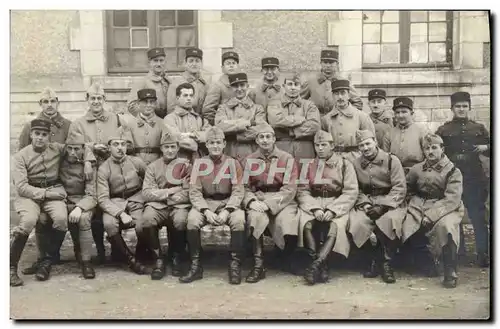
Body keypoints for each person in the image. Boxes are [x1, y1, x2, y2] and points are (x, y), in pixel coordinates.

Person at [11, 119, 95, 286]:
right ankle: (11, 268)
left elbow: (81, 146)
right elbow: (21, 187)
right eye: (37, 134)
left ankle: (46, 261)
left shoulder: (56, 148)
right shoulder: (21, 156)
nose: (40, 138)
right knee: (28, 221)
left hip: (53, 191)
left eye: (44, 134)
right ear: (31, 135)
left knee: (62, 219)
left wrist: (87, 162)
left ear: (49, 136)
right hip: (30, 195)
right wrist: (46, 193)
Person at [68, 82, 125, 263]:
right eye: (92, 98)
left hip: (111, 169)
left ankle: (116, 248)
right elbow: (74, 146)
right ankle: (98, 249)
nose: (96, 102)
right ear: (87, 100)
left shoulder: (115, 119)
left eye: (99, 98)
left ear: (104, 99)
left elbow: (121, 140)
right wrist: (90, 151)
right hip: (89, 171)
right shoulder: (78, 124)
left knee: (112, 205)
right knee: (94, 209)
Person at [180, 127, 246, 284]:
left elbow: (238, 191)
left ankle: (234, 264)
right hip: (206, 202)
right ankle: (196, 266)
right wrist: (206, 211)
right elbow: (194, 192)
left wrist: (227, 211)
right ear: (207, 145)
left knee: (239, 220)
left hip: (227, 202)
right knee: (192, 220)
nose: (215, 146)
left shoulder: (233, 163)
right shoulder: (199, 164)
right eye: (211, 143)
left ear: (224, 144)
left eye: (218, 142)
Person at [18, 87, 72, 273]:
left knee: (59, 217)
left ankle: (50, 257)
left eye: (53, 101)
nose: (49, 105)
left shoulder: (66, 125)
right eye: (45, 102)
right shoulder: (29, 127)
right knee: (38, 219)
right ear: (40, 104)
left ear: (58, 102)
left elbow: (74, 148)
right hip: (33, 184)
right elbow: (23, 153)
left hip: (60, 180)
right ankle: (44, 257)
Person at [436, 91, 490, 267]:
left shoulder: (479, 128)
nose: (461, 109)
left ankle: (483, 253)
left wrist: (485, 146)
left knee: (478, 216)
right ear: (452, 108)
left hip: (474, 178)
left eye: (464, 106)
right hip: (452, 180)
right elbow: (435, 150)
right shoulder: (444, 130)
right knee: (454, 215)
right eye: (458, 106)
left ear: (469, 108)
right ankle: (458, 253)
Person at [297, 130, 358, 285]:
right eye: (317, 145)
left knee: (336, 225)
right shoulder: (309, 165)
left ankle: (315, 265)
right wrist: (314, 208)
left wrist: (333, 210)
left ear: (332, 146)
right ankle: (320, 266)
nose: (320, 148)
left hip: (337, 201)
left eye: (324, 145)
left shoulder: (345, 164)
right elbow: (302, 190)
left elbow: (351, 191)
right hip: (314, 201)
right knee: (306, 223)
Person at [403, 134, 464, 288]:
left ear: (442, 149)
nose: (430, 151)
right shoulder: (417, 169)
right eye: (427, 148)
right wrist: (414, 204)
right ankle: (425, 262)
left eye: (434, 147)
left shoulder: (452, 170)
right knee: (409, 222)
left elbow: (452, 198)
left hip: (447, 207)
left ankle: (450, 270)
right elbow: (408, 190)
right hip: (420, 204)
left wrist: (431, 215)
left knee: (446, 226)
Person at [242, 123, 299, 281]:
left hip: (282, 199)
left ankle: (286, 258)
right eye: (261, 137)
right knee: (255, 217)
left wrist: (269, 204)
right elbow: (244, 187)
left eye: (268, 137)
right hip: (258, 198)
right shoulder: (249, 160)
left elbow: (290, 188)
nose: (265, 140)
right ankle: (258, 265)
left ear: (274, 139)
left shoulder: (286, 158)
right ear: (257, 141)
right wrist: (251, 201)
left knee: (287, 220)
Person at [349, 130, 406, 284]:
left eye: (368, 143)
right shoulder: (355, 164)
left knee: (390, 220)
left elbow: (399, 187)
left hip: (390, 200)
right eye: (361, 145)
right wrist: (365, 204)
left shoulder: (391, 160)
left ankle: (386, 262)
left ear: (375, 141)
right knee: (357, 222)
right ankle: (372, 258)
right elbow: (355, 188)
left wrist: (383, 206)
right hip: (367, 200)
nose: (365, 148)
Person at [96, 127, 148, 275]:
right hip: (114, 201)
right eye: (116, 144)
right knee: (109, 223)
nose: (120, 148)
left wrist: (144, 197)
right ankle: (130, 259)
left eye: (123, 144)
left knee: (143, 224)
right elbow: (103, 199)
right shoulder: (104, 168)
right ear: (109, 147)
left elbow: (150, 182)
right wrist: (120, 213)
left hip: (136, 199)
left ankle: (141, 253)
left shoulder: (137, 162)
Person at [140, 131, 192, 280]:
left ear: (177, 148)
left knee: (181, 220)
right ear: (161, 148)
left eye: (173, 147)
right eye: (166, 147)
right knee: (148, 219)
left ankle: (176, 256)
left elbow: (190, 191)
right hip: (157, 206)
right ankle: (158, 258)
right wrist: (173, 190)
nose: (170, 150)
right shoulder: (153, 167)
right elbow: (147, 193)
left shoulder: (186, 165)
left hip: (178, 205)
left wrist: (166, 198)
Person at [267, 72, 321, 161]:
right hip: (281, 146)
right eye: (289, 84)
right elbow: (275, 121)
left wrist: (291, 131)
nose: (293, 87)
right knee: (281, 172)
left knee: (305, 173)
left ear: (300, 87)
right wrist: (300, 120)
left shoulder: (309, 105)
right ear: (284, 86)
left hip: (304, 147)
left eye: (296, 84)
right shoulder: (274, 103)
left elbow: (315, 126)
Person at [215, 72, 266, 163]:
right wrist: (246, 124)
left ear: (247, 86)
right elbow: (219, 127)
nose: (239, 89)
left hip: (252, 151)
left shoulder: (257, 108)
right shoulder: (223, 108)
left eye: (242, 85)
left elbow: (260, 130)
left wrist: (233, 132)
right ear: (231, 88)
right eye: (235, 86)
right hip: (229, 151)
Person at [321, 80, 375, 163]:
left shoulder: (361, 116)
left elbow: (372, 143)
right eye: (336, 94)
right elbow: (322, 144)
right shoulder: (326, 119)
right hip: (334, 160)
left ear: (349, 95)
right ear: (332, 96)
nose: (340, 97)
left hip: (356, 160)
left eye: (343, 93)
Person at [300, 49, 363, 114]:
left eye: (331, 62)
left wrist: (345, 116)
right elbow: (298, 102)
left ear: (337, 64)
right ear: (321, 63)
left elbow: (357, 103)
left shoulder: (344, 82)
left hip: (338, 122)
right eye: (325, 62)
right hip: (317, 121)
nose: (328, 65)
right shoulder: (311, 82)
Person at [382, 97, 429, 173]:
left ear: (412, 113)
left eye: (404, 112)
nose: (400, 115)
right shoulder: (389, 133)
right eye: (397, 112)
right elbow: (385, 156)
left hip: (417, 172)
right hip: (395, 172)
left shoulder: (422, 131)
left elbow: (428, 155)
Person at [164, 83, 210, 160]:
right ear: (178, 97)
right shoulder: (170, 118)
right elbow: (174, 138)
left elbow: (210, 134)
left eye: (191, 96)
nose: (189, 98)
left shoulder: (199, 118)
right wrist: (199, 141)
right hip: (179, 160)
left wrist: (194, 135)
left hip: (199, 159)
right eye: (185, 95)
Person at [127, 47, 172, 118]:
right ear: (149, 62)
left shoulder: (168, 81)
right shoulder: (143, 82)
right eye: (155, 61)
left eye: (161, 60)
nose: (159, 64)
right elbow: (131, 106)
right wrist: (146, 118)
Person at [202, 51, 240, 125]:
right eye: (228, 63)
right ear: (222, 68)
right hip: (225, 130)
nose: (231, 66)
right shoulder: (217, 86)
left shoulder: (241, 86)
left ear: (238, 66)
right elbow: (207, 110)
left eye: (233, 63)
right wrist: (219, 125)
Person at [167, 47, 208, 115]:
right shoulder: (176, 83)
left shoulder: (204, 84)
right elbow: (171, 110)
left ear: (201, 63)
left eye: (197, 61)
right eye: (191, 61)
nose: (194, 64)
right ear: (185, 63)